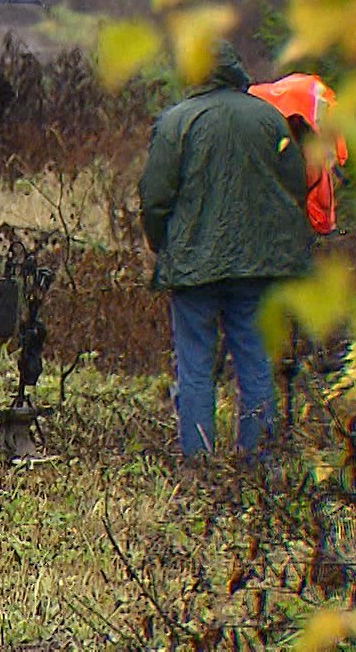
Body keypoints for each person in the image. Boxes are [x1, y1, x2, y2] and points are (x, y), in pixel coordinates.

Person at [138, 40, 314, 458]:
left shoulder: (176, 122)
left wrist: (162, 244)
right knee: (254, 362)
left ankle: (198, 464)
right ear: (235, 69)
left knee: (195, 366)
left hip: (194, 268)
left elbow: (155, 197)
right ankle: (257, 463)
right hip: (258, 267)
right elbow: (296, 184)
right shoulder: (270, 119)